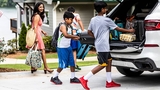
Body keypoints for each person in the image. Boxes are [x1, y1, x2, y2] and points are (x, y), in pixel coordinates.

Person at [79, 1, 135, 90]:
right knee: (103, 64)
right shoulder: (107, 20)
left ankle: (109, 82)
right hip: (103, 46)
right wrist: (130, 31)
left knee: (109, 60)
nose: (107, 9)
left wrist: (97, 37)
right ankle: (84, 78)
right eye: (105, 8)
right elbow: (118, 28)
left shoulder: (93, 19)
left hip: (99, 44)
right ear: (102, 9)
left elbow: (89, 32)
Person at [50, 11, 81, 85]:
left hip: (68, 47)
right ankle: (54, 77)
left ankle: (73, 78)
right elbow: (66, 35)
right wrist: (75, 36)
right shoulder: (62, 26)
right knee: (62, 64)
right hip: (62, 48)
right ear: (66, 19)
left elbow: (70, 37)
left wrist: (75, 38)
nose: (72, 21)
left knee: (72, 63)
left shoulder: (70, 26)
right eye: (71, 19)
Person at [30, 2, 53, 74]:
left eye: (42, 7)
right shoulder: (37, 16)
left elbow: (35, 26)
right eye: (40, 7)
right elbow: (35, 27)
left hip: (36, 34)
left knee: (34, 51)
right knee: (42, 51)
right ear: (37, 7)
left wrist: (42, 31)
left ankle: (33, 67)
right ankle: (46, 67)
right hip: (37, 35)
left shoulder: (35, 15)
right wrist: (36, 38)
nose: (42, 8)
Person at [67, 6, 84, 71]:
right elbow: (79, 21)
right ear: (74, 11)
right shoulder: (76, 15)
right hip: (73, 34)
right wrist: (82, 30)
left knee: (69, 50)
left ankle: (71, 64)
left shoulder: (66, 16)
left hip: (67, 35)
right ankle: (74, 65)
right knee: (74, 50)